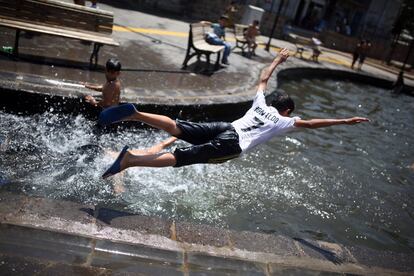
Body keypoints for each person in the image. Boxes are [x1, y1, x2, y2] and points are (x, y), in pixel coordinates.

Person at [100, 48, 369, 179]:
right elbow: (310, 124)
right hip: (233, 144)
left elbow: (264, 77)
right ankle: (130, 161)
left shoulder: (261, 103)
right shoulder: (285, 120)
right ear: (286, 110)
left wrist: (277, 60)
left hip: (225, 127)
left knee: (179, 128)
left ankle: (136, 114)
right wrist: (345, 120)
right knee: (181, 158)